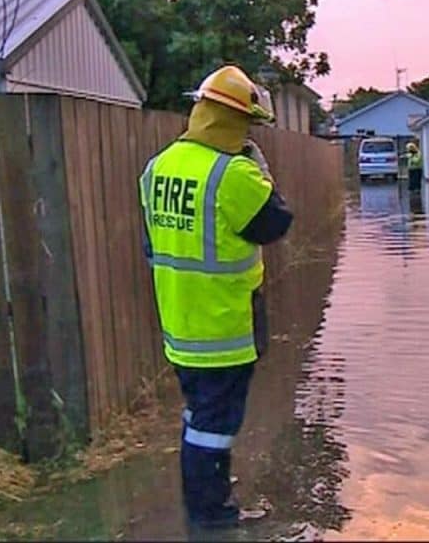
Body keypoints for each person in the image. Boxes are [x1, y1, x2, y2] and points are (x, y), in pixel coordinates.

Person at [138, 65, 293, 530]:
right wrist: (262, 172)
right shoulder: (234, 174)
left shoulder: (158, 166)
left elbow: (153, 245)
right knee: (215, 426)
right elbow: (275, 223)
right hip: (224, 327)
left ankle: (205, 499)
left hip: (180, 325)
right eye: (247, 124)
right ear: (234, 122)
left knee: (199, 417)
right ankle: (212, 516)